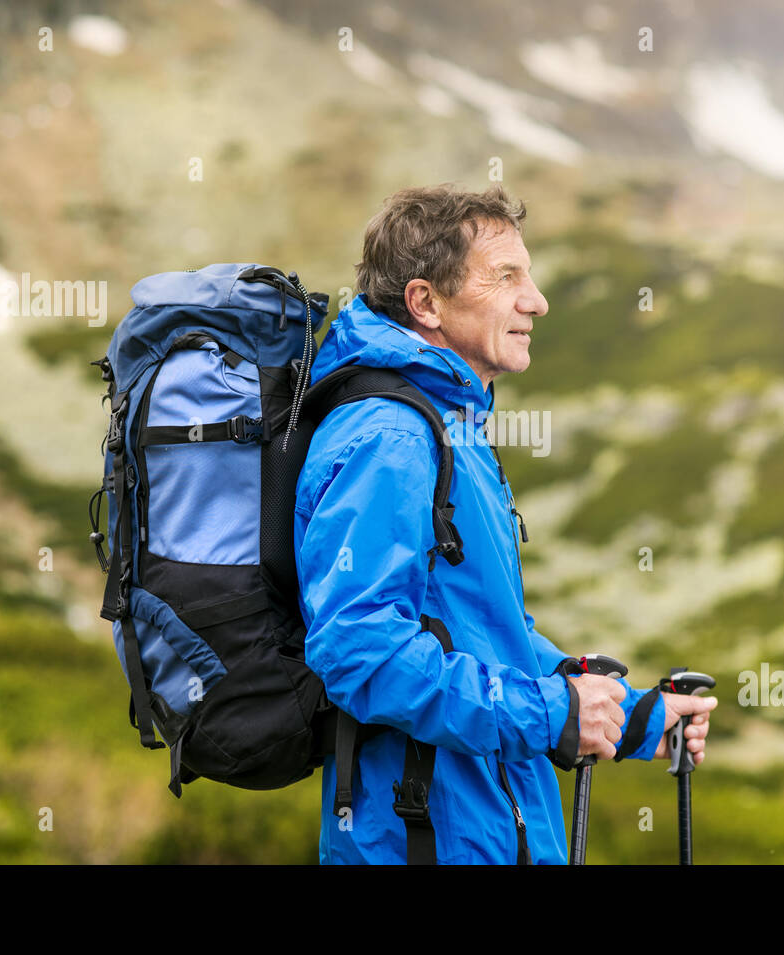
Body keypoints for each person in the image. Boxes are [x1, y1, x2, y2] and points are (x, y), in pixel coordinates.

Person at [293, 183, 717, 864]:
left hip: (480, 825)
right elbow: (358, 647)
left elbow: (479, 633)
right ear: (426, 302)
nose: (537, 300)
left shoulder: (446, 427)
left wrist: (629, 716)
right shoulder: (391, 439)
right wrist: (550, 712)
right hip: (424, 837)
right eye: (507, 277)